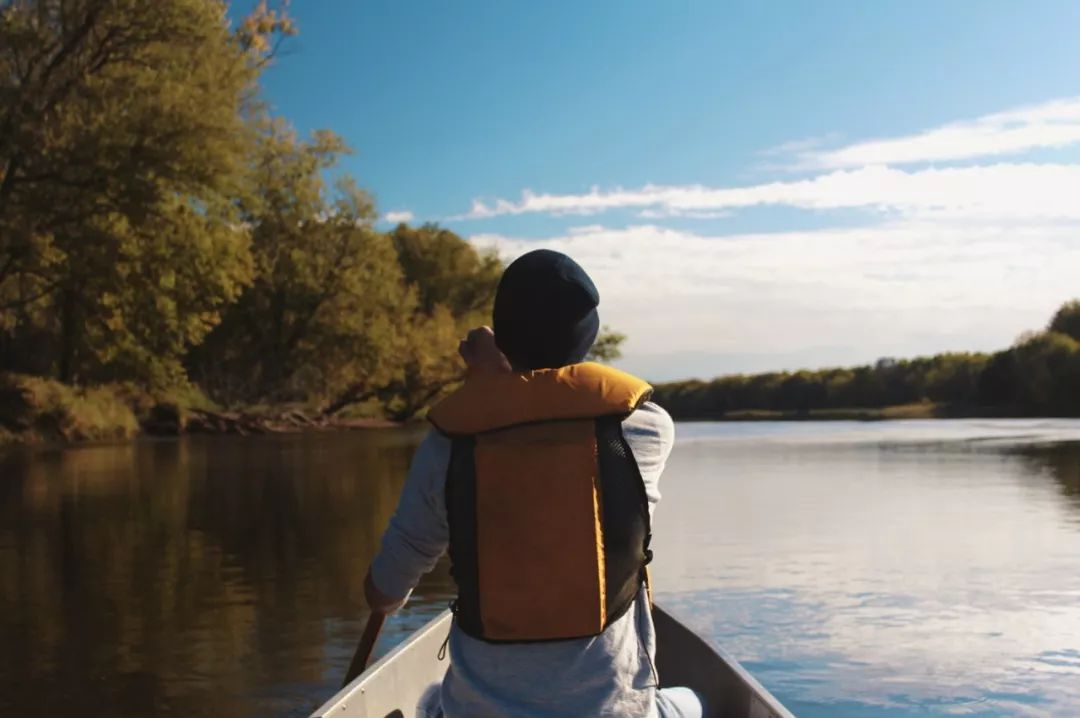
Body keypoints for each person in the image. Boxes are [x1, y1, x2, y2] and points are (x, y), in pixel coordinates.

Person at [364, 249, 704, 717]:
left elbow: (383, 593)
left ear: (503, 338)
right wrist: (501, 380)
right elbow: (548, 414)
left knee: (427, 703)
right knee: (693, 701)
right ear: (588, 336)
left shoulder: (450, 444)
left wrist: (491, 384)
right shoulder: (643, 429)